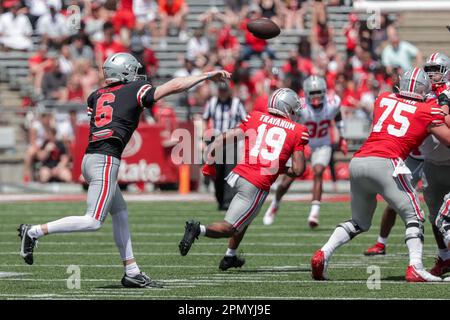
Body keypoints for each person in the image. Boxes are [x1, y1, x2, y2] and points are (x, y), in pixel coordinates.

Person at [18, 52, 231, 288]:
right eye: (134, 70)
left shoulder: (96, 95)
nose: (139, 75)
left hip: (90, 158)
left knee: (120, 212)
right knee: (93, 221)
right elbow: (173, 86)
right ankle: (34, 231)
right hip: (105, 159)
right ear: (125, 71)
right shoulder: (134, 89)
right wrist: (206, 75)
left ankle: (132, 270)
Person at [311, 67, 450, 282]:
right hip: (387, 162)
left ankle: (324, 253)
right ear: (424, 89)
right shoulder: (426, 110)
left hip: (358, 162)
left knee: (359, 222)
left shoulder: (383, 99)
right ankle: (416, 267)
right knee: (414, 216)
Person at [178, 88, 309, 270]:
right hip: (256, 184)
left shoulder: (255, 117)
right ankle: (198, 229)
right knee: (230, 227)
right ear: (287, 108)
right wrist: (279, 167)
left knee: (244, 218)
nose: (295, 114)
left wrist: (209, 162)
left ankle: (230, 256)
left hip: (238, 175)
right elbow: (298, 169)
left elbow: (220, 139)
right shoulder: (297, 130)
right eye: (294, 110)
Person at [364, 53, 450, 256]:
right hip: (416, 154)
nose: (431, 75)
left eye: (436, 71)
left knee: (441, 214)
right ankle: (382, 241)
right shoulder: (423, 90)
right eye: (428, 70)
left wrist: (443, 106)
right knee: (399, 201)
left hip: (442, 156)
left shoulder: (446, 92)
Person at [263, 76, 347, 227]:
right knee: (288, 179)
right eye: (312, 92)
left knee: (319, 171)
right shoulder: (300, 106)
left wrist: (341, 136)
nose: (315, 96)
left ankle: (314, 212)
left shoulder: (333, 102)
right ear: (306, 92)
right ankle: (275, 203)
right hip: (302, 143)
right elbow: (288, 122)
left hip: (322, 143)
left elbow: (338, 113)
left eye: (318, 92)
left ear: (324, 91)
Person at [202, 82, 247, 210]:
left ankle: (228, 201)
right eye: (220, 91)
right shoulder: (212, 102)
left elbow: (245, 120)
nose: (222, 93)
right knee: (217, 172)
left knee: (230, 171)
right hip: (216, 140)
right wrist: (205, 138)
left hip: (231, 140)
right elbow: (205, 118)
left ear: (228, 91)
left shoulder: (236, 103)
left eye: (224, 91)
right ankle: (220, 198)